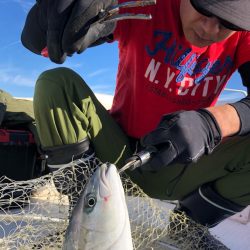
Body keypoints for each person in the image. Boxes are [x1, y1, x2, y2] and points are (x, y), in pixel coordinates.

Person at [21, 0, 250, 247]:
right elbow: (40, 42)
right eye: (205, 9)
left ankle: (189, 229)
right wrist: (49, 17)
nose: (210, 29)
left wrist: (213, 123)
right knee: (56, 83)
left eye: (228, 23)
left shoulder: (244, 35)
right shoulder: (147, 5)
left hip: (175, 168)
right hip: (116, 156)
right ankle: (84, 218)